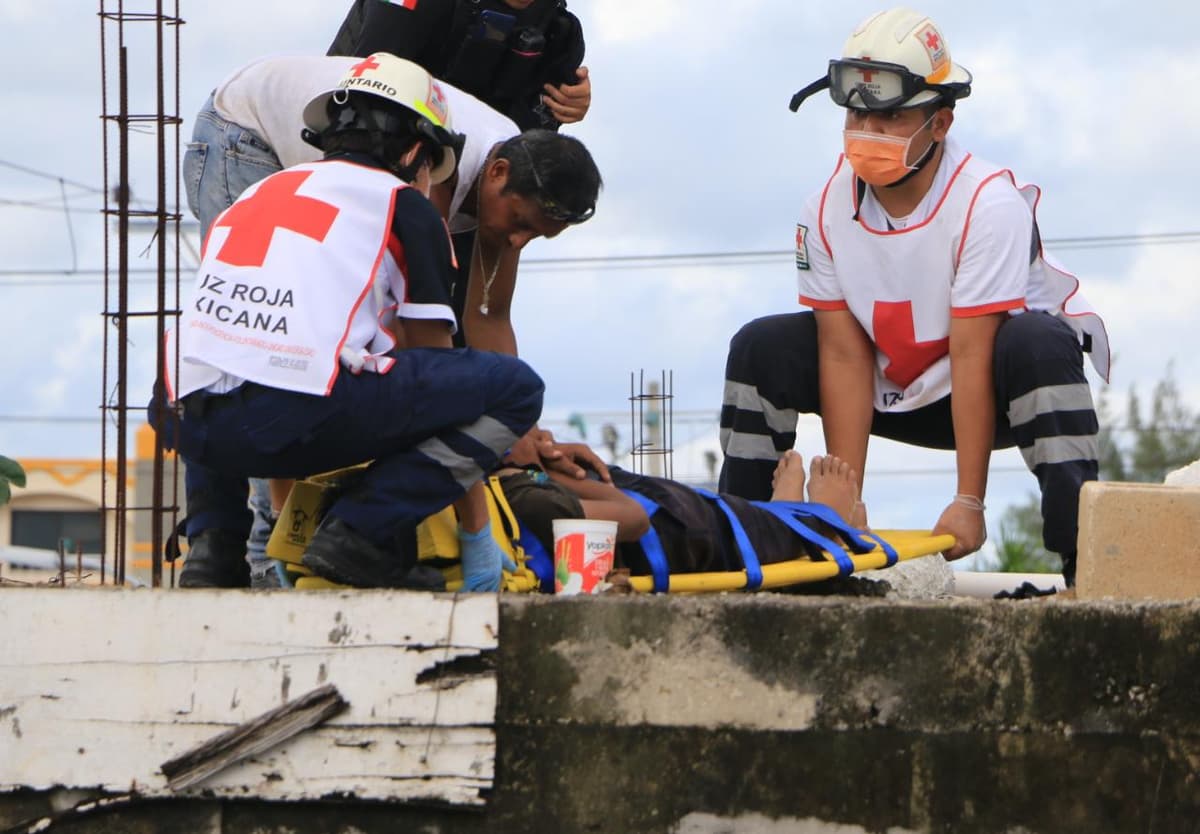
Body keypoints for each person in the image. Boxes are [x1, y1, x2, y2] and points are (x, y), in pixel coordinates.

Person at [717, 7, 1110, 585]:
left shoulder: (987, 204)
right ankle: (744, 549)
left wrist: (968, 501)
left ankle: (1083, 564)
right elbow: (844, 355)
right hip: (886, 383)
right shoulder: (822, 211)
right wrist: (845, 502)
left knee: (1040, 341)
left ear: (940, 124)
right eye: (857, 114)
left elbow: (974, 353)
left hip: (990, 392)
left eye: (892, 117)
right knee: (760, 347)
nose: (868, 132)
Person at [179, 53, 603, 587]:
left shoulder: (261, 193)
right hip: (289, 414)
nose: (518, 241)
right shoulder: (409, 205)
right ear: (414, 151)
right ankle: (355, 535)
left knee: (226, 351)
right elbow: (434, 370)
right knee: (509, 388)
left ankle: (213, 551)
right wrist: (477, 528)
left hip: (189, 421)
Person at [328, 0, 590, 131]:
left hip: (466, 195)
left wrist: (566, 105)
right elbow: (358, 101)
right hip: (358, 143)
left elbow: (532, 147)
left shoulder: (561, 34)